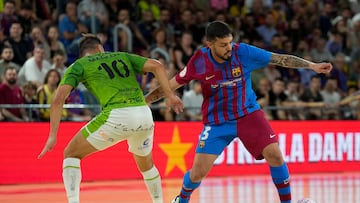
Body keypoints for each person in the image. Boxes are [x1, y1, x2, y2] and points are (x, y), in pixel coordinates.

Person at [145, 21, 333, 203]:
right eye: (223, 44)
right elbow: (170, 84)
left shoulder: (243, 52)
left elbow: (279, 58)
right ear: (209, 44)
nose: (229, 47)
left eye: (230, 42)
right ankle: (181, 199)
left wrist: (312, 65)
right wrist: (144, 101)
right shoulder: (199, 61)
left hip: (248, 114)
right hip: (217, 122)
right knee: (197, 172)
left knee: (275, 154)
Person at [38, 34, 183, 203]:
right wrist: (170, 96)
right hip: (144, 114)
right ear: (100, 48)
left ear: (83, 53)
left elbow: (58, 99)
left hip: (117, 116)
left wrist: (52, 135)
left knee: (71, 154)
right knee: (146, 165)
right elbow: (157, 65)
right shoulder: (122, 56)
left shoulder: (79, 65)